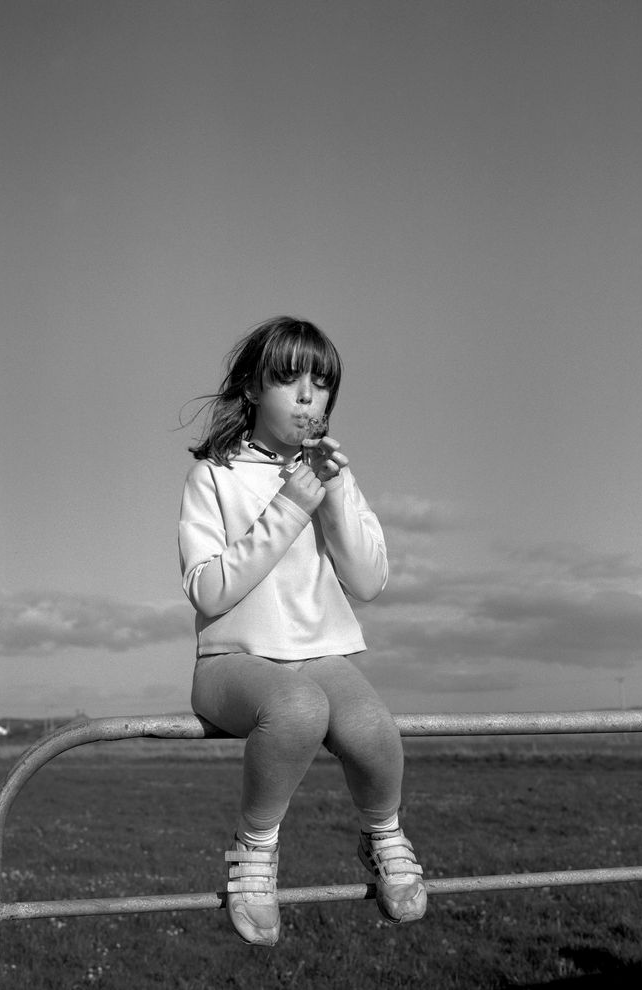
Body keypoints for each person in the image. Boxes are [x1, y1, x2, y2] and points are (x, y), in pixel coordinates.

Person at [178, 316, 427, 946]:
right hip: (231, 663)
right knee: (294, 708)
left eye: (322, 383)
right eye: (289, 379)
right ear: (253, 389)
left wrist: (334, 493)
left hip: (323, 654)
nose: (309, 396)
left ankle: (384, 836)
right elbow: (208, 589)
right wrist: (289, 506)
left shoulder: (333, 473)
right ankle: (254, 852)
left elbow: (368, 581)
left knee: (372, 727)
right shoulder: (215, 474)